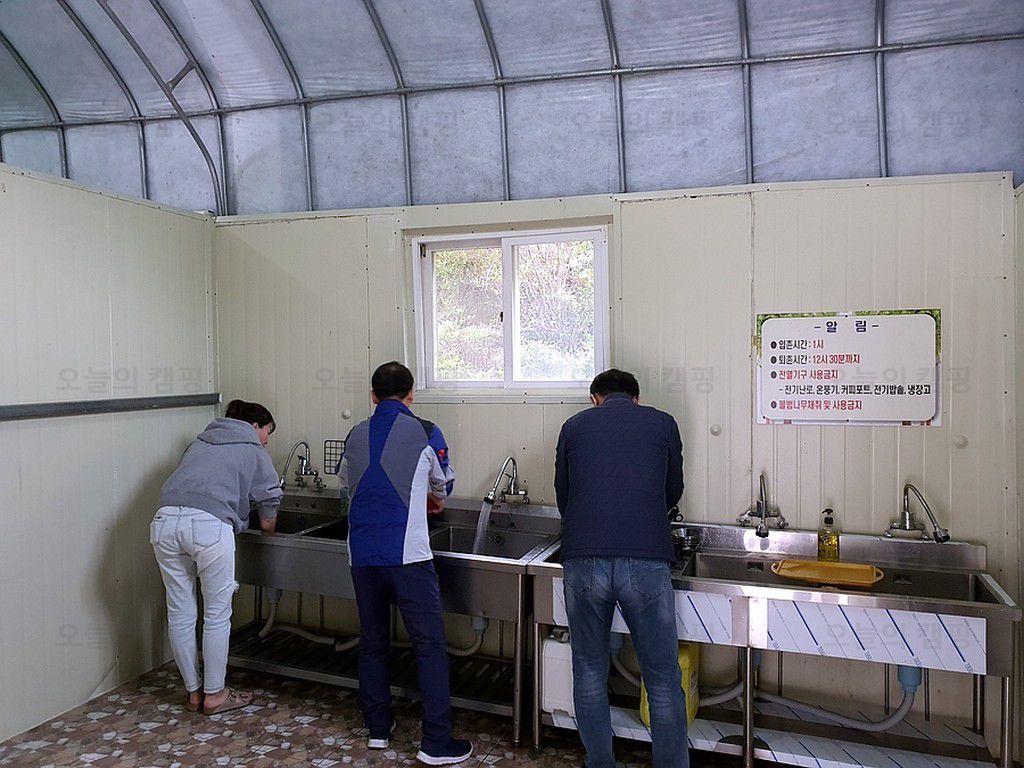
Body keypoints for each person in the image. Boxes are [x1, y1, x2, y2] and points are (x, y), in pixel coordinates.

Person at [336, 361, 472, 766]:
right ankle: (436, 742)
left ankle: (378, 728)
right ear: (411, 395)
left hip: (362, 554)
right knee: (428, 646)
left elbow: (346, 481)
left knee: (373, 641)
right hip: (408, 555)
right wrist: (430, 496)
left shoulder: (354, 433)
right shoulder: (426, 430)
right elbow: (443, 484)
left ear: (372, 396)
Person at [554, 369, 687, 768]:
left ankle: (600, 763)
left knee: (589, 672)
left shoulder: (573, 426)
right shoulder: (663, 423)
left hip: (583, 558)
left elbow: (564, 494)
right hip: (646, 556)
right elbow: (673, 490)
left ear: (595, 398)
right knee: (662, 677)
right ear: (636, 398)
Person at [152, 399, 283, 715]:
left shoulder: (199, 443)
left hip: (164, 523)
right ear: (254, 426)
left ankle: (193, 693)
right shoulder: (252, 448)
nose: (266, 440)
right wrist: (268, 535)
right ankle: (215, 695)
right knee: (216, 614)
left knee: (180, 612)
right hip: (208, 527)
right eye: (268, 432)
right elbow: (269, 502)